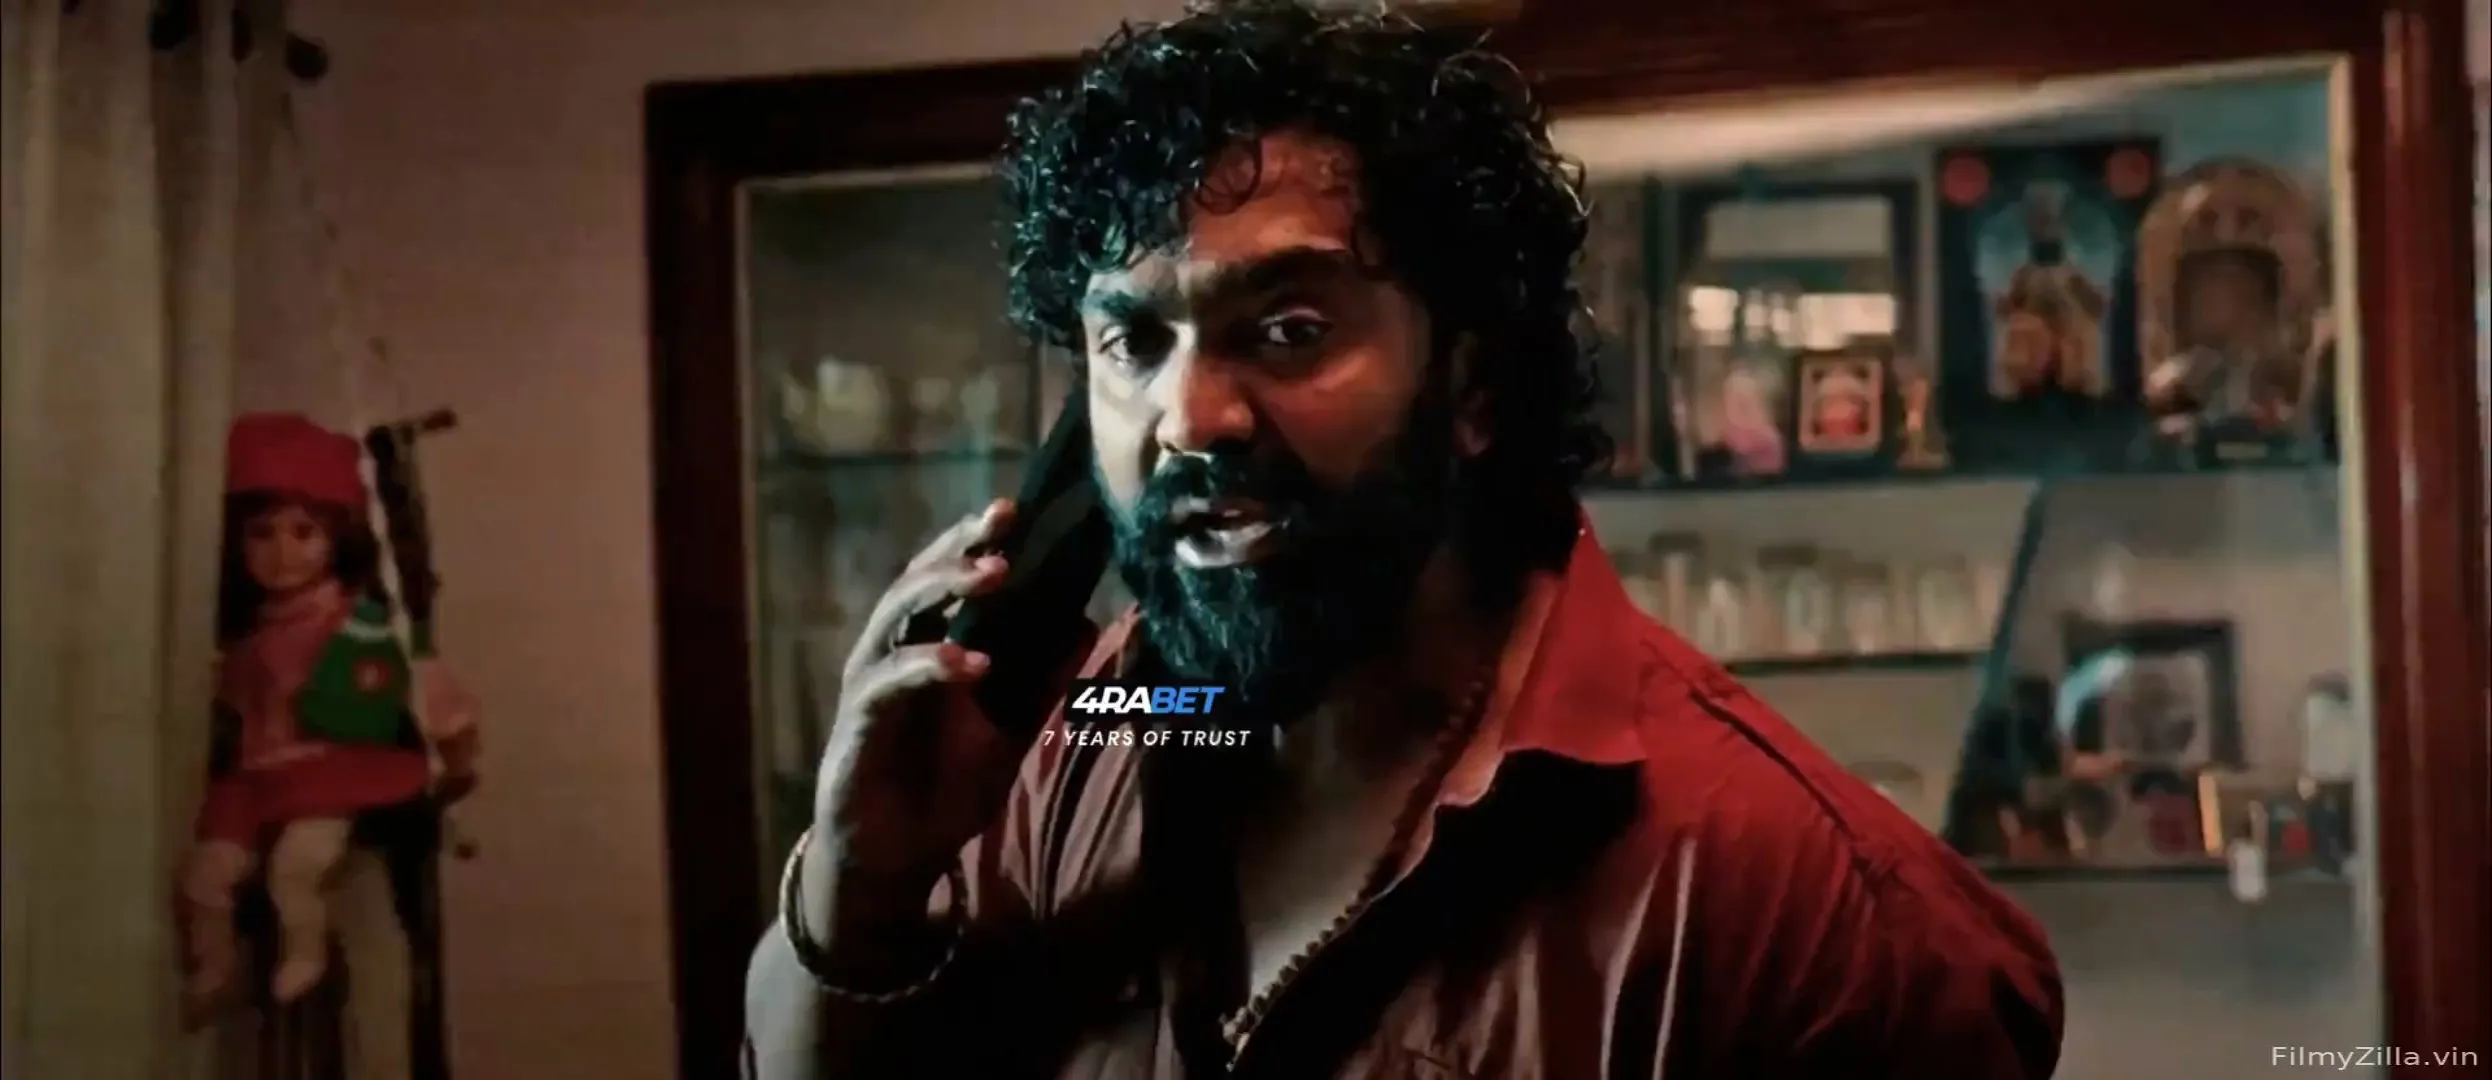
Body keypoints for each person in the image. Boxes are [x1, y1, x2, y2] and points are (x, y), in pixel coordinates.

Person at [746, 2, 2064, 1076]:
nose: (1189, 419)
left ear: (1474, 384)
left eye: (1290, 330)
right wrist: (859, 892)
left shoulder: (1813, 921)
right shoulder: (1084, 734)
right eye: (1133, 341)